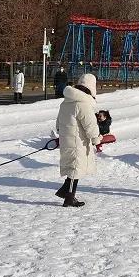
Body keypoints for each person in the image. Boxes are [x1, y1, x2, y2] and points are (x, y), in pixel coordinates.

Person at [54, 74, 102, 208]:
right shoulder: (83, 104)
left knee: (73, 167)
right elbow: (90, 125)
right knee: (75, 168)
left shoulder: (66, 102)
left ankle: (66, 193)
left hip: (67, 140)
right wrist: (96, 139)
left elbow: (58, 124)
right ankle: (69, 197)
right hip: (78, 142)